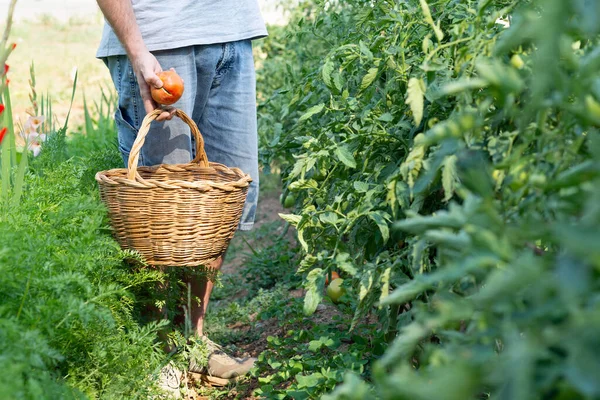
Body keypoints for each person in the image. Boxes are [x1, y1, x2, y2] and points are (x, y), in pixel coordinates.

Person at [94, 0, 267, 392]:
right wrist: (137, 51)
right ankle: (157, 352)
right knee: (155, 214)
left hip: (233, 33)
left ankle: (193, 343)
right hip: (160, 37)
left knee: (217, 203)